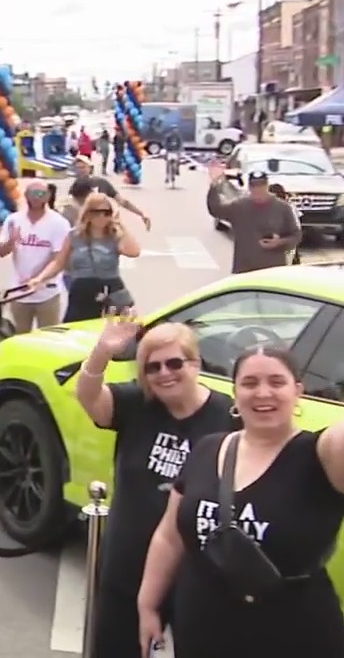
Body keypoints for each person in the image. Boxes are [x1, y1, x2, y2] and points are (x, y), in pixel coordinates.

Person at [138, 347, 344, 658]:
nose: (263, 393)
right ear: (235, 393)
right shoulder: (209, 447)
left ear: (297, 391)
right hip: (201, 627)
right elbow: (169, 536)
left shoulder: (321, 454)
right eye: (249, 383)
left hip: (293, 633)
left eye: (277, 382)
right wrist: (148, 605)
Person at [75, 318, 235, 658]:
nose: (164, 373)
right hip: (127, 563)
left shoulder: (228, 417)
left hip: (196, 572)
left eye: (175, 363)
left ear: (196, 363)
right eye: (152, 367)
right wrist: (102, 352)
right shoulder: (138, 404)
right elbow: (90, 398)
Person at [29, 192, 141, 322]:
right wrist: (40, 278)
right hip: (82, 291)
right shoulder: (74, 236)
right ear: (88, 213)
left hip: (110, 290)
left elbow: (134, 251)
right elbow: (58, 263)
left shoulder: (114, 236)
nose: (102, 217)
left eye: (107, 213)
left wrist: (120, 224)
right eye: (97, 212)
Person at [0, 179, 70, 331]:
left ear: (48, 196)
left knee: (50, 336)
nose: (37, 197)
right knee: (21, 337)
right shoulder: (14, 220)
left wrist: (38, 278)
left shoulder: (59, 223)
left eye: (41, 193)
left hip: (48, 292)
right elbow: (2, 252)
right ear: (26, 195)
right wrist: (11, 241)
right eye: (33, 193)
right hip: (19, 292)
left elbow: (58, 258)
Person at [205, 165, 301, 274]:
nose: (258, 189)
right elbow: (216, 211)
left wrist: (279, 243)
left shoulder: (283, 208)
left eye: (261, 185)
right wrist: (214, 185)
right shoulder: (239, 206)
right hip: (245, 269)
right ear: (250, 188)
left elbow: (296, 236)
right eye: (254, 186)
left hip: (273, 270)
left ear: (267, 186)